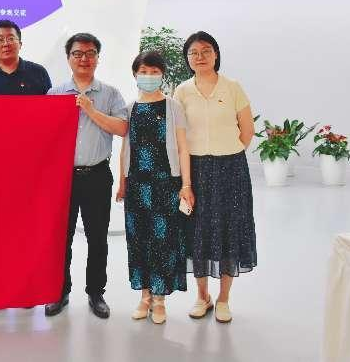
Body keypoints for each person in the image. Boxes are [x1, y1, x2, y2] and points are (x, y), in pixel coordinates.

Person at [174, 31, 256, 324]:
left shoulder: (232, 87)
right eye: (193, 53)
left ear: (216, 54)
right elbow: (179, 138)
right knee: (197, 232)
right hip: (195, 169)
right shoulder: (182, 91)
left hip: (231, 169)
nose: (200, 57)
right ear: (187, 58)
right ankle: (202, 296)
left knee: (229, 231)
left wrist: (227, 153)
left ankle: (223, 299)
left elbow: (247, 131)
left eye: (206, 51)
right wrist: (186, 181)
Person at [45, 33, 127, 319]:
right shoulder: (55, 93)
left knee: (97, 238)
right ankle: (59, 291)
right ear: (68, 58)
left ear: (97, 58)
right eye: (78, 53)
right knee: (61, 238)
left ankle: (96, 293)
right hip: (62, 178)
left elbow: (122, 128)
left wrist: (90, 110)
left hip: (97, 175)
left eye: (90, 53)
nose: (84, 59)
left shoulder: (110, 93)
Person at [116, 50, 194, 324]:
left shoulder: (173, 107)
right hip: (137, 185)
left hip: (165, 184)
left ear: (162, 75)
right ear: (135, 74)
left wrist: (186, 184)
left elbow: (183, 148)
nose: (148, 76)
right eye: (143, 72)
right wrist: (122, 182)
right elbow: (126, 148)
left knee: (163, 240)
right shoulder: (130, 108)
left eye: (154, 72)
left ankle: (160, 300)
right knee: (139, 240)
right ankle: (145, 296)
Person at [0, 19, 51, 96]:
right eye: (0, 40)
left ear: (20, 44)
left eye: (11, 39)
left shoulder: (39, 73)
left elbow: (50, 105)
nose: (6, 44)